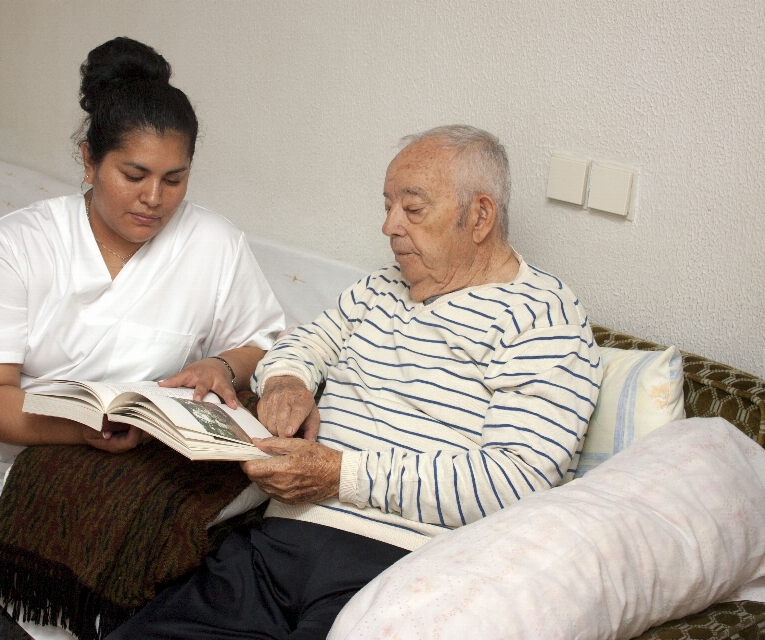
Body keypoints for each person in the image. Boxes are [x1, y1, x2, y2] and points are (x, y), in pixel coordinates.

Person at [0, 37, 284, 640]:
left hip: (106, 477)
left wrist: (221, 365)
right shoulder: (20, 243)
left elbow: (260, 342)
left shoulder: (214, 243)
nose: (154, 199)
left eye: (174, 179)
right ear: (88, 161)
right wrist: (79, 427)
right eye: (134, 175)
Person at [108, 125, 603, 639]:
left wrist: (340, 475)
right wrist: (286, 382)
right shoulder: (381, 287)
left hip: (404, 574)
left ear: (479, 216)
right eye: (387, 205)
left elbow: (514, 482)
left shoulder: (542, 317)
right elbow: (303, 342)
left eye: (412, 209)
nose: (389, 226)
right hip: (277, 543)